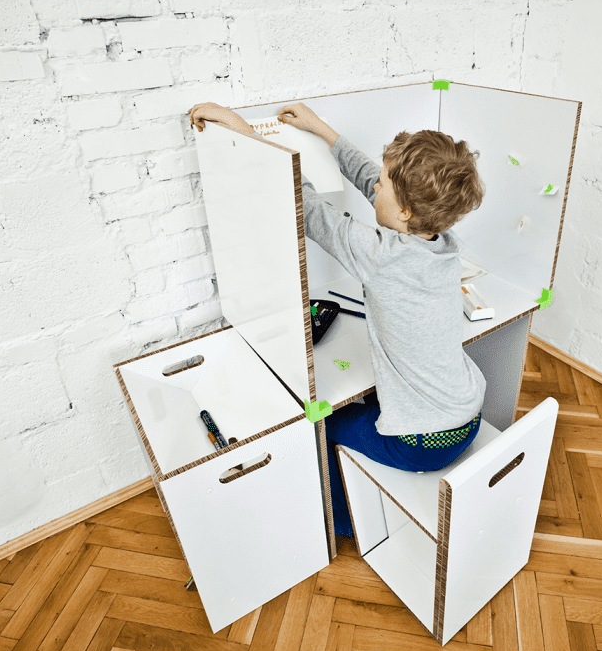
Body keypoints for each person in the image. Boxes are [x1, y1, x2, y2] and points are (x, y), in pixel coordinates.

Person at [189, 101, 487, 538]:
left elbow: (309, 209)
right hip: (468, 416)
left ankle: (341, 524)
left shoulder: (381, 257)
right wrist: (323, 130)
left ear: (405, 211)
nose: (375, 185)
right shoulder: (442, 240)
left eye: (384, 184)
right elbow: (370, 178)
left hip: (423, 444)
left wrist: (245, 135)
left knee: (320, 424)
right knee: (357, 402)